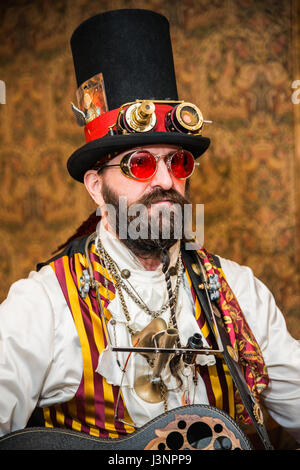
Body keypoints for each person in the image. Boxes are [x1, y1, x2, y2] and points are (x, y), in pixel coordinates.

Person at [0, 9, 299, 451]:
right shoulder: (43, 305)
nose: (164, 181)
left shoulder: (239, 291)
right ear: (97, 187)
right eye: (139, 163)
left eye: (178, 162)